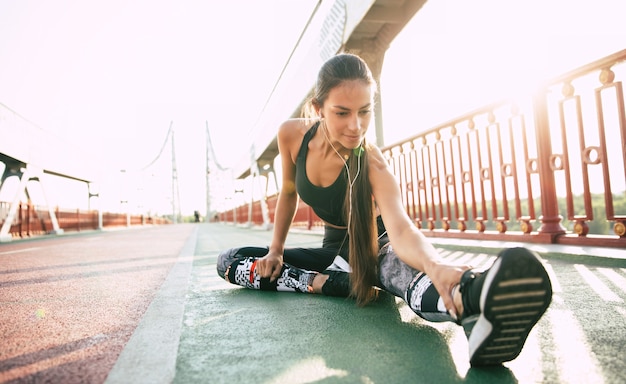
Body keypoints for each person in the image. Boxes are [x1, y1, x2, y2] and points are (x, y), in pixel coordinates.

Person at [216, 53, 552, 366]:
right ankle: (328, 283)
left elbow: (402, 228)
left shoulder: (373, 163)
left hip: (379, 246)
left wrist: (434, 266)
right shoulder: (291, 134)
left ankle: (471, 299)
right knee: (231, 261)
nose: (356, 126)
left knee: (397, 272)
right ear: (318, 108)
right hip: (334, 255)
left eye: (364, 111)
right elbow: (288, 194)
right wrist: (275, 250)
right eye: (342, 112)